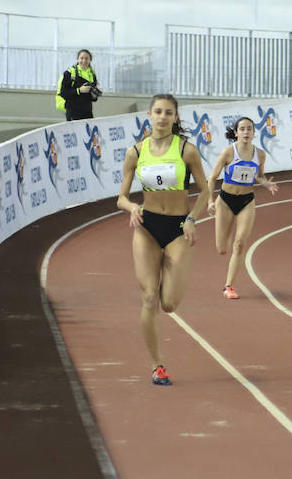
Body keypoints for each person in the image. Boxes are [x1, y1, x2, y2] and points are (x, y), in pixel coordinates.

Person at [116, 94, 209, 386]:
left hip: (179, 227)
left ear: (176, 117)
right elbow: (121, 197)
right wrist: (132, 207)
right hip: (147, 226)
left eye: (168, 112)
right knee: (148, 298)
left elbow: (206, 191)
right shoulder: (135, 152)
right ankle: (158, 365)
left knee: (168, 304)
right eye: (158, 112)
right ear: (149, 115)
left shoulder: (187, 151)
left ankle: (166, 279)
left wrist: (193, 218)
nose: (162, 117)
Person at [206, 117, 278, 300]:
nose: (246, 132)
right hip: (225, 201)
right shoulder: (228, 153)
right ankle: (227, 233)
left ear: (254, 133)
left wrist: (266, 184)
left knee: (239, 244)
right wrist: (210, 201)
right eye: (242, 129)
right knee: (222, 249)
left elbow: (259, 176)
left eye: (249, 129)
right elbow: (212, 178)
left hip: (247, 201)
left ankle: (228, 286)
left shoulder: (260, 155)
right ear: (236, 133)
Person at [56, 49, 100, 121]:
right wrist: (79, 90)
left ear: (90, 60)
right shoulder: (70, 73)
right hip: (73, 113)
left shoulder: (92, 75)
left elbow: (93, 99)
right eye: (81, 58)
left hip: (87, 113)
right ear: (77, 59)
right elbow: (64, 93)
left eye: (86, 58)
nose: (84, 61)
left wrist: (94, 95)